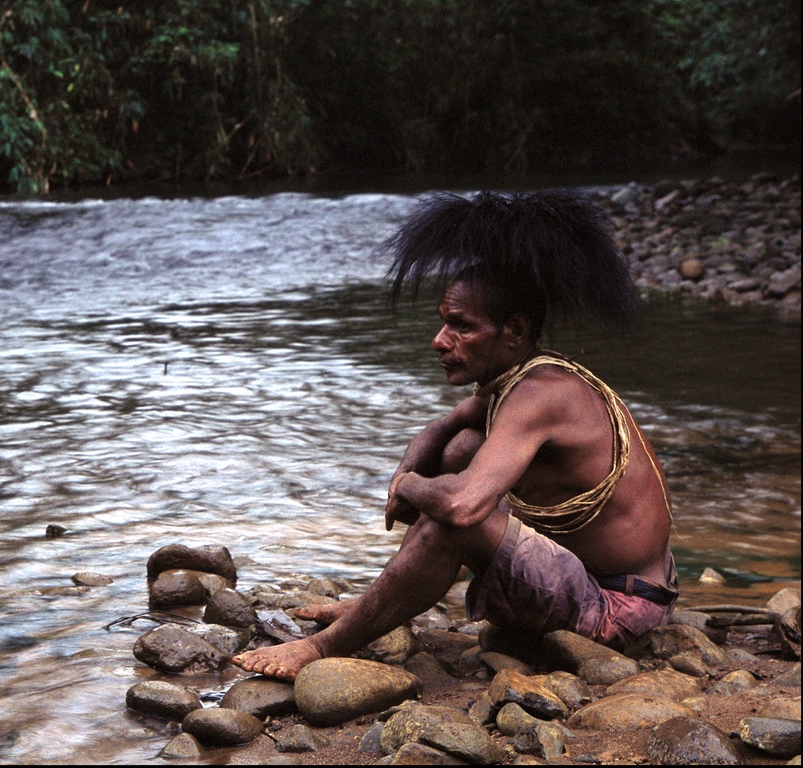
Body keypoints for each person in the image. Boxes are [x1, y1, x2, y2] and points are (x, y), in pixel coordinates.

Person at [232, 190, 678, 680]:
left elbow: (463, 508)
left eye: (461, 327)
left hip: (620, 606)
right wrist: (406, 472)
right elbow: (443, 427)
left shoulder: (540, 395)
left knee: (454, 519)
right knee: (464, 448)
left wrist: (409, 489)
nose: (440, 341)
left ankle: (320, 649)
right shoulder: (522, 379)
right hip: (602, 576)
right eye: (443, 324)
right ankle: (377, 601)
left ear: (514, 330)